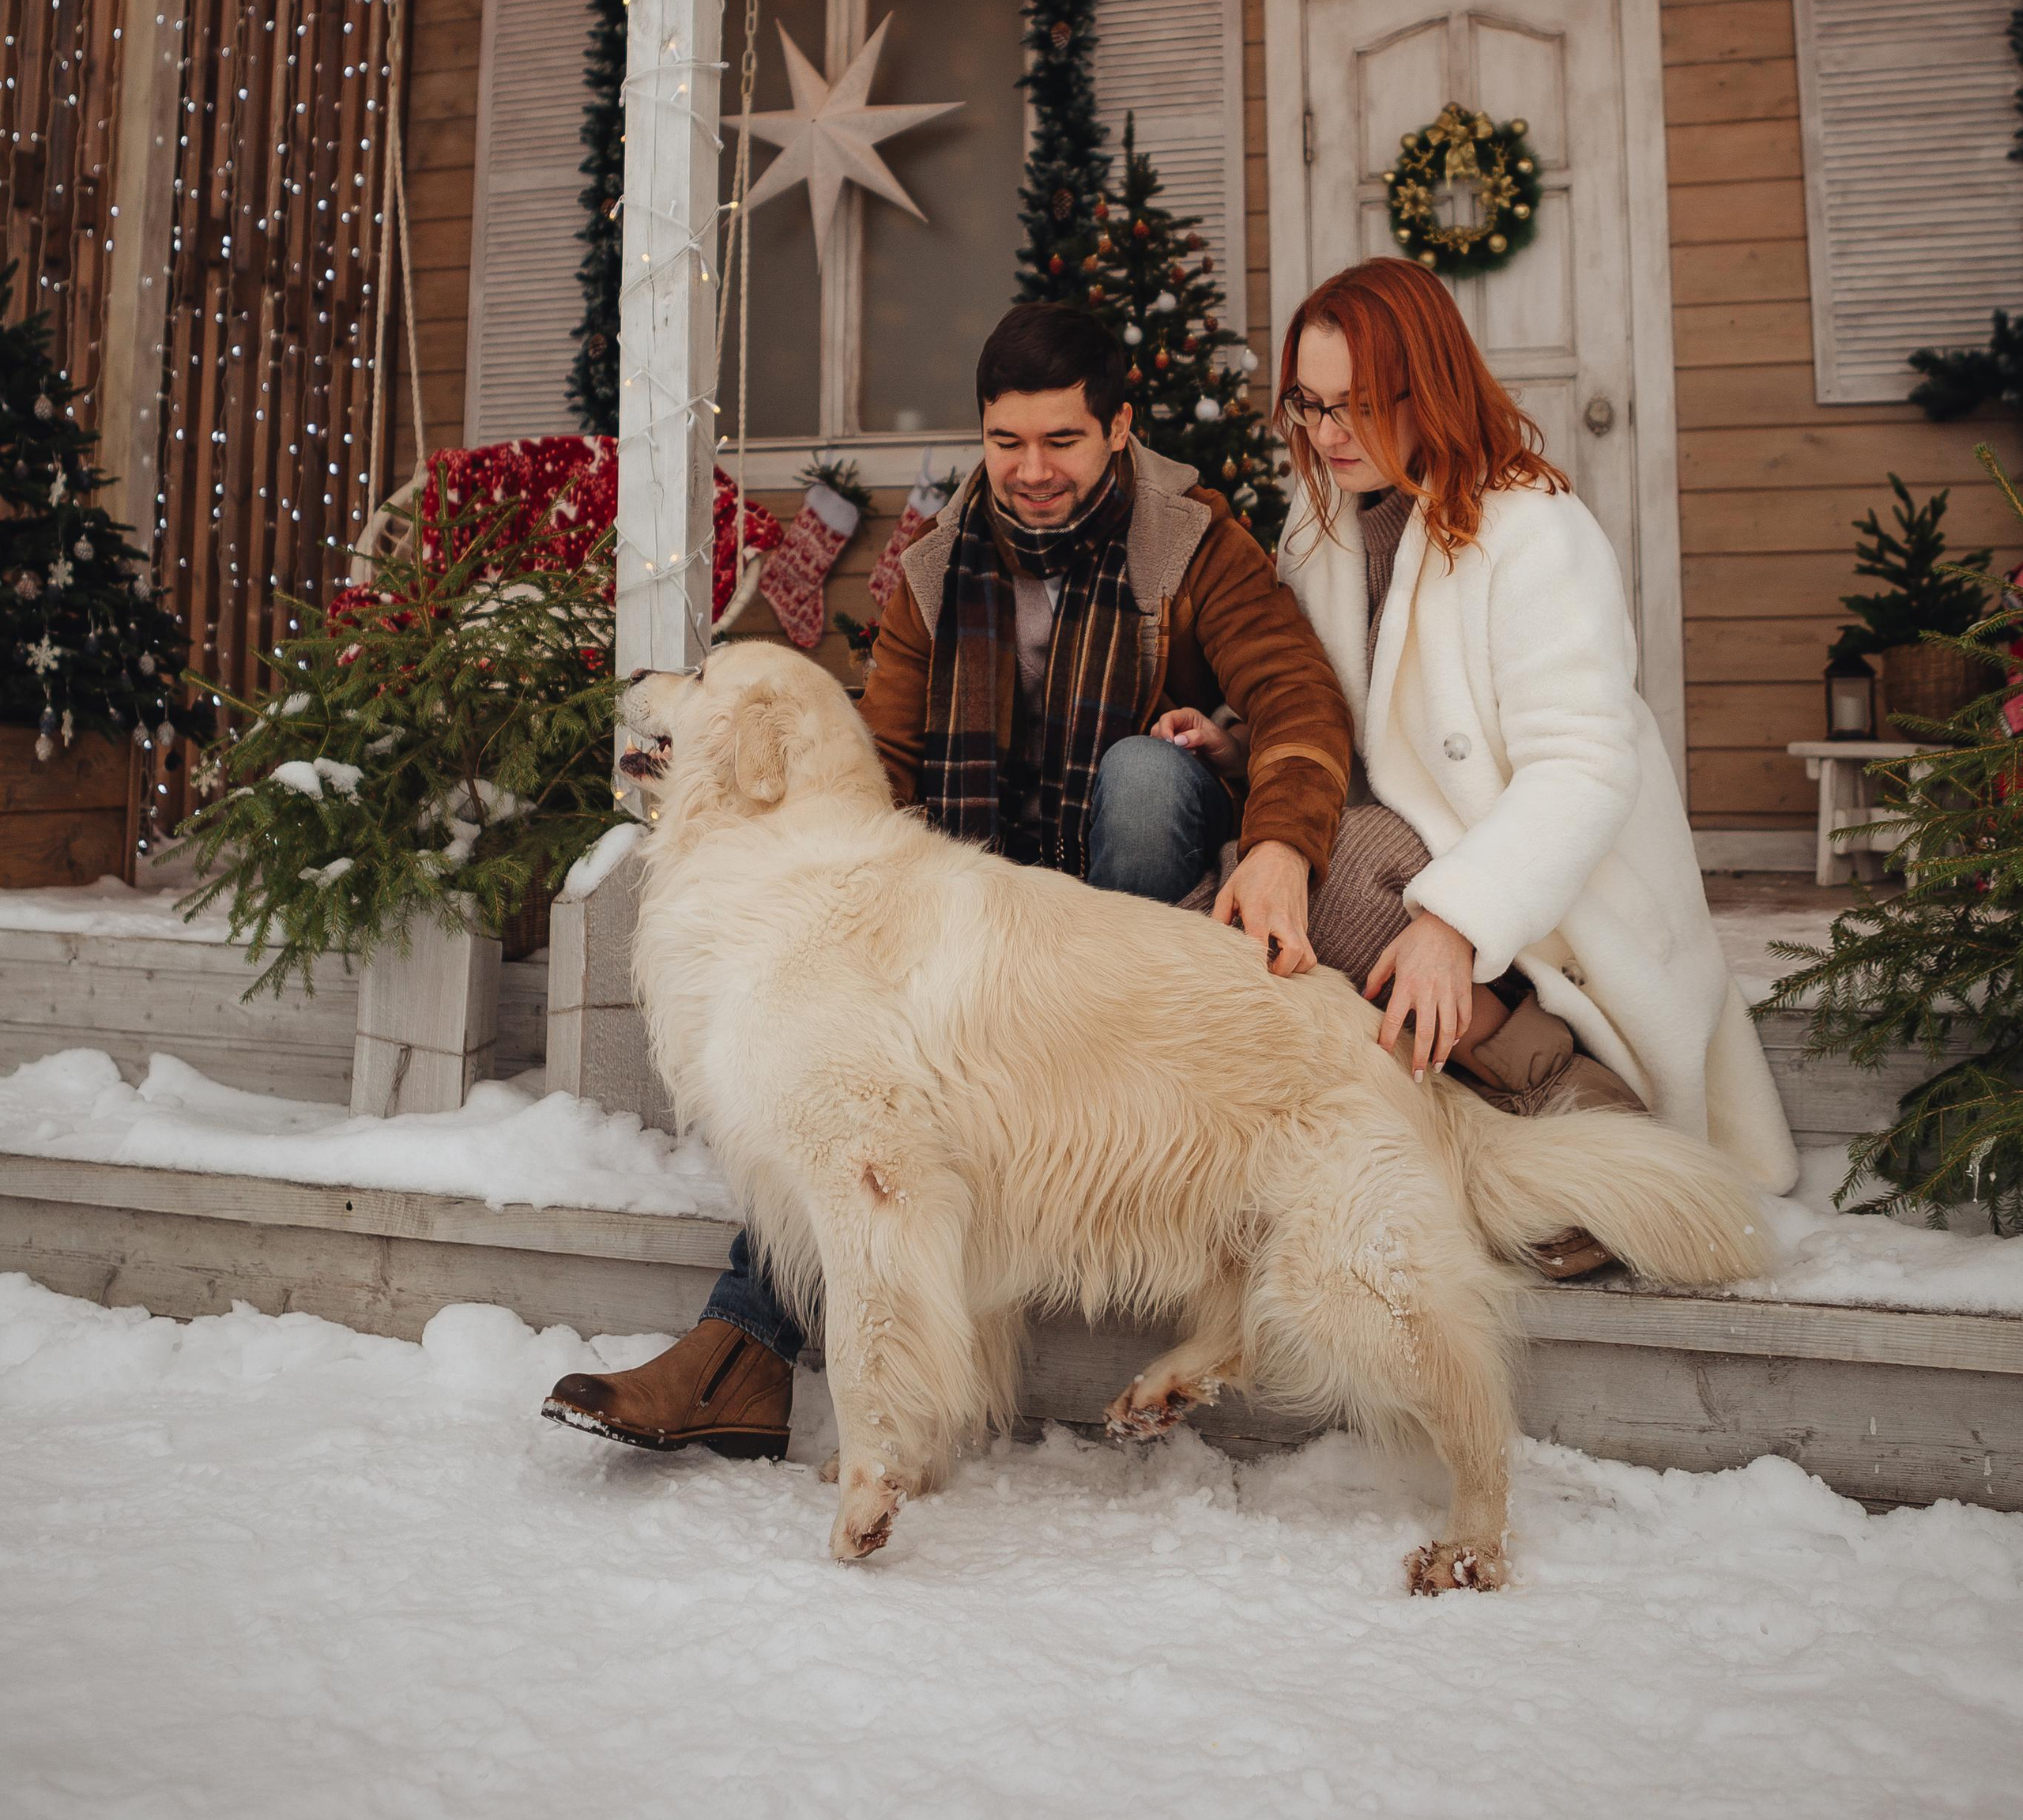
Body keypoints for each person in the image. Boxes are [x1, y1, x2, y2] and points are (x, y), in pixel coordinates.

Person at [544, 301, 1355, 1459]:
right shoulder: (934, 569)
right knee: (830, 1061)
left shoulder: (1194, 545)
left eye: (1063, 442)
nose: (1030, 472)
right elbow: (885, 778)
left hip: (1126, 929)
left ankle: (764, 1346)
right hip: (985, 919)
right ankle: (742, 1347)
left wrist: (1281, 842)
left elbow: (1298, 698)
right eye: (1005, 442)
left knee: (1145, 775)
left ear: (1120, 427)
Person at [1192, 254, 1799, 1267]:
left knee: (1327, 883)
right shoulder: (1323, 523)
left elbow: (1584, 766)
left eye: (1357, 406)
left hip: (1548, 888)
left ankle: (1590, 1116)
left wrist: (1451, 922)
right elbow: (1348, 707)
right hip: (1409, 844)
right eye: (1307, 405)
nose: (1328, 435)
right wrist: (1237, 737)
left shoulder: (1535, 533)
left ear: (1426, 390)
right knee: (1265, 881)